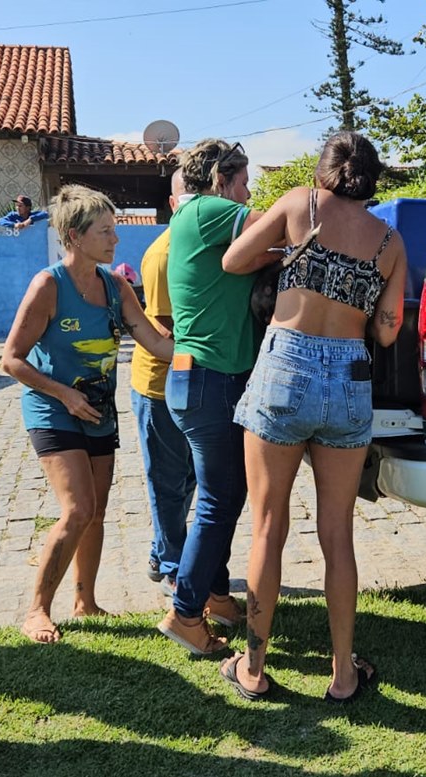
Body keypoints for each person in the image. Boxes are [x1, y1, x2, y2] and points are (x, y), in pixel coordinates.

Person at [221, 132, 407, 702]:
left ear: (325, 170)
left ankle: (252, 669)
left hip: (286, 365)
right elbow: (388, 329)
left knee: (268, 529)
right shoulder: (390, 243)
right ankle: (344, 675)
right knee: (338, 535)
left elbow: (233, 261)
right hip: (350, 375)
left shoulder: (299, 204)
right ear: (371, 179)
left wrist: (288, 254)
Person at [1, 184, 174, 644]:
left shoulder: (115, 286)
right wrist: (63, 394)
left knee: (95, 512)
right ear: (74, 236)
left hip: (98, 409)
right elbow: (11, 359)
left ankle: (86, 603)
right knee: (76, 509)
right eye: (106, 232)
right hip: (53, 407)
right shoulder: (48, 285)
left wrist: (205, 349)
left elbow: (154, 341)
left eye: (114, 230)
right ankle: (37, 610)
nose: (116, 240)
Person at [156, 139, 275, 656]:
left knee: (220, 494)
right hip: (213, 379)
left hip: (195, 377)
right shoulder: (209, 209)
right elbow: (283, 227)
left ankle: (217, 596)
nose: (248, 194)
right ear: (222, 178)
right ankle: (185, 614)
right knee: (219, 500)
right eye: (244, 182)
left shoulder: (190, 217)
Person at [130, 169, 197, 587]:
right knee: (168, 482)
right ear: (173, 205)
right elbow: (171, 328)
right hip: (160, 383)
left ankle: (161, 553)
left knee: (189, 477)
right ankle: (174, 568)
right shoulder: (165, 254)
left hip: (192, 379)